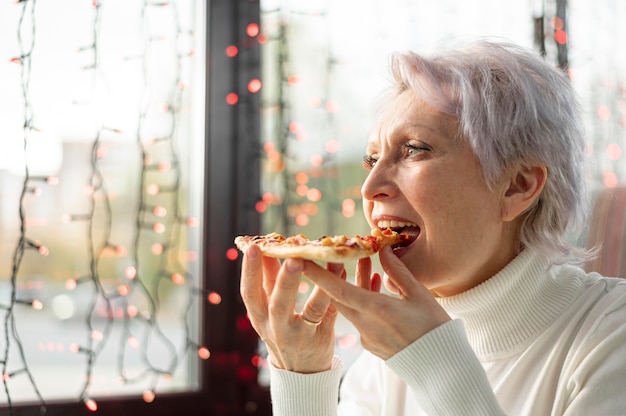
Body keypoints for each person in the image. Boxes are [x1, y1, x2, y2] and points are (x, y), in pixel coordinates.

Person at [239, 40, 626, 415]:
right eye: (371, 158)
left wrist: (435, 362)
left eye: (413, 150)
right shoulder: (385, 357)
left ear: (517, 187)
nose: (370, 188)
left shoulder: (612, 334)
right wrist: (303, 375)